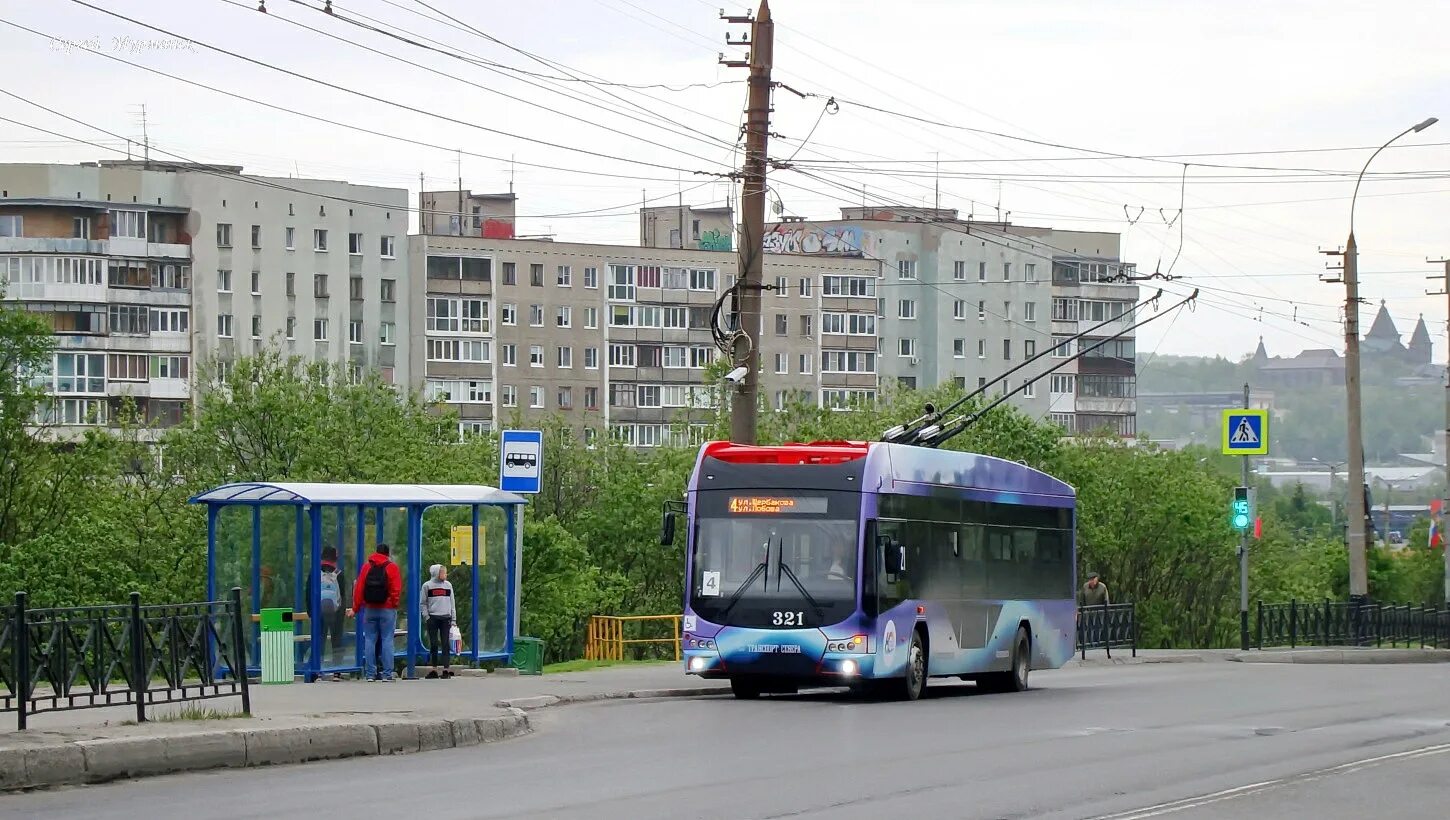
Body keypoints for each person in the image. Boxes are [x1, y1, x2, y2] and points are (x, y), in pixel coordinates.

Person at [353, 542, 402, 681]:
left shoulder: (367, 567)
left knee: (369, 640)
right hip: (387, 609)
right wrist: (394, 603)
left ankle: (370, 674)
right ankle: (387, 674)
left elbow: (359, 589)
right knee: (387, 640)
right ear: (387, 554)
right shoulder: (392, 567)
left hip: (370, 608)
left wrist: (356, 608)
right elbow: (396, 589)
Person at [306, 546, 351, 681]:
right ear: (335, 558)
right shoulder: (339, 573)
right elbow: (342, 595)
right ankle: (336, 671)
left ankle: (317, 670)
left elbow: (308, 592)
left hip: (318, 611)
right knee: (337, 640)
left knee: (319, 639)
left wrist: (311, 611)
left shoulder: (314, 572)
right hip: (335, 612)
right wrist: (341, 612)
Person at [420, 564, 457, 679]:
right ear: (436, 573)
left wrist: (453, 618)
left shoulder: (448, 585)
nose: (445, 575)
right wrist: (427, 616)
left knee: (445, 644)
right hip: (433, 617)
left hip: (446, 617)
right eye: (443, 573)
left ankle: (446, 669)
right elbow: (423, 603)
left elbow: (452, 603)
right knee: (434, 644)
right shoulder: (427, 586)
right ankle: (434, 669)